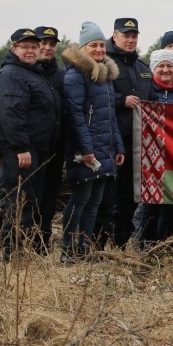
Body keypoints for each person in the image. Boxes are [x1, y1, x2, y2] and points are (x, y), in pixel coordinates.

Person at [60, 22, 125, 263]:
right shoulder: (75, 76)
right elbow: (75, 116)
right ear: (83, 48)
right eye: (93, 45)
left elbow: (110, 117)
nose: (99, 49)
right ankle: (68, 250)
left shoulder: (104, 76)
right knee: (80, 200)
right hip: (85, 150)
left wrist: (118, 146)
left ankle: (84, 250)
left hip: (105, 148)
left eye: (101, 45)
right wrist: (86, 149)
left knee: (94, 203)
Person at [0, 29, 61, 260]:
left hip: (37, 150)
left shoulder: (32, 73)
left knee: (29, 202)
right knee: (17, 202)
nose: (31, 51)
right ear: (13, 48)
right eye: (25, 47)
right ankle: (11, 255)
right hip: (21, 151)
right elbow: (10, 113)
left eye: (34, 47)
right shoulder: (12, 74)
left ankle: (21, 253)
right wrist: (21, 147)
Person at [97, 17, 152, 250]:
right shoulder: (103, 62)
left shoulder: (143, 68)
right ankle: (98, 243)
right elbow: (95, 94)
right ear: (114, 35)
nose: (130, 40)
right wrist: (121, 100)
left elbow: (153, 101)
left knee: (129, 196)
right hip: (110, 140)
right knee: (106, 194)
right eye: (125, 35)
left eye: (134, 36)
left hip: (137, 143)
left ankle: (120, 243)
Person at [137, 50, 173, 244]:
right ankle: (145, 244)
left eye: (169, 65)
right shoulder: (145, 90)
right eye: (160, 66)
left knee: (171, 204)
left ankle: (168, 245)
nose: (165, 69)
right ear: (153, 68)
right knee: (150, 204)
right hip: (150, 158)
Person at [33, 25, 66, 253]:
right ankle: (21, 244)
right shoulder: (24, 73)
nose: (47, 47)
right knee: (27, 197)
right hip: (30, 148)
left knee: (49, 197)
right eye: (42, 43)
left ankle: (42, 244)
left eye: (52, 44)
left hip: (56, 148)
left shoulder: (62, 76)